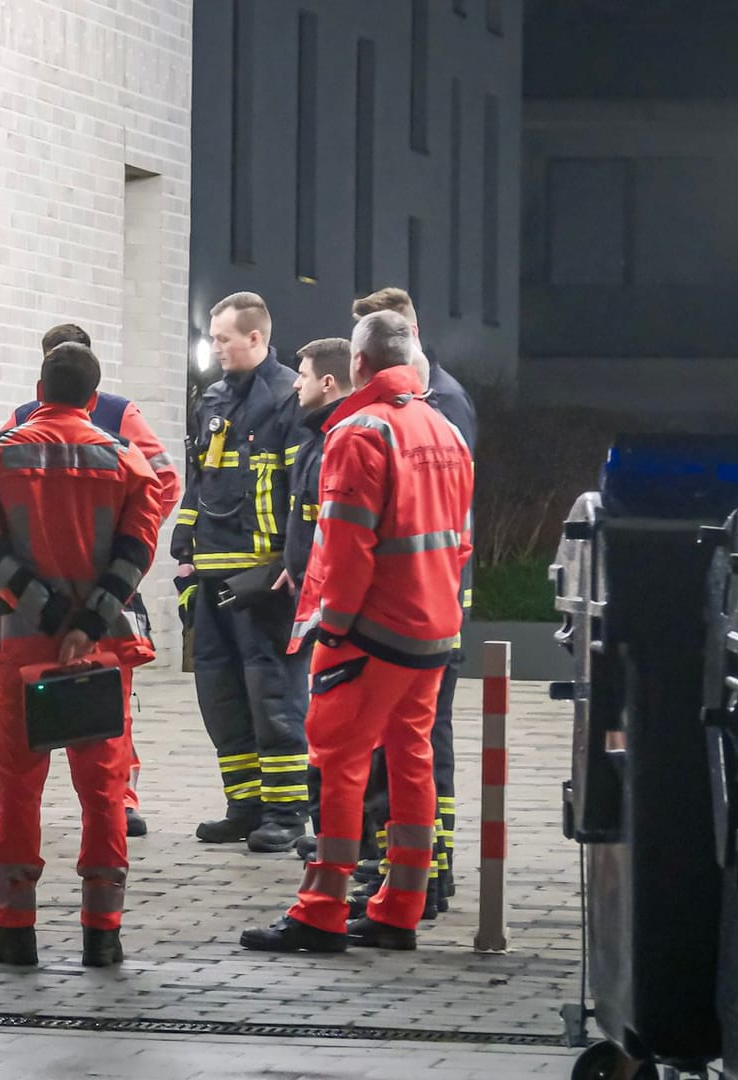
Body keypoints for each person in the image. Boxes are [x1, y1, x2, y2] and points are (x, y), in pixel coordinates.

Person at [239, 310, 474, 953]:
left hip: (370, 632)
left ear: (359, 366)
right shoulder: (443, 429)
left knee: (336, 768)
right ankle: (400, 905)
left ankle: (320, 909)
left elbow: (345, 547)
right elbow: (459, 540)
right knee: (412, 766)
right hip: (433, 629)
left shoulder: (359, 432)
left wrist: (333, 630)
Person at [0, 342, 163, 968]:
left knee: (17, 786)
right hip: (98, 651)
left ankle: (14, 929)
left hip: (18, 645)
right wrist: (88, 619)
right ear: (94, 398)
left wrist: (46, 613)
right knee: (103, 788)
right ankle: (104, 933)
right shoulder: (127, 460)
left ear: (40, 386)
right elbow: (138, 548)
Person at [0, 322, 179, 839]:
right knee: (103, 753)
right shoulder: (119, 448)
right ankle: (103, 913)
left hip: (22, 620)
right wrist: (97, 603)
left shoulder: (1, 445)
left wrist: (44, 609)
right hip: (104, 613)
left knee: (20, 753)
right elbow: (146, 516)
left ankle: (15, 911)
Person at [342, 287, 480, 914]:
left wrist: (337, 625)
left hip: (391, 619)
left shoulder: (391, 420)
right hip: (431, 610)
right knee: (414, 748)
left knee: (368, 752)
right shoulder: (441, 415)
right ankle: (414, 880)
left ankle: (405, 876)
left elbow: (350, 544)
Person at [172, 292, 310, 853]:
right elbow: (200, 480)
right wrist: (182, 545)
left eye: (225, 338)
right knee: (222, 695)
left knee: (271, 694)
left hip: (262, 580)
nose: (217, 348)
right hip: (211, 574)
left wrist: (292, 563)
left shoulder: (287, 398)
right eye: (214, 338)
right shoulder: (211, 399)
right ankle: (244, 804)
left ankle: (285, 811)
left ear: (255, 338)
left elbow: (305, 491)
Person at [277, 338, 353, 856]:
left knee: (337, 732)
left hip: (337, 613)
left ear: (328, 381)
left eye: (301, 374)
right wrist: (294, 567)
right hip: (315, 596)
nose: (295, 382)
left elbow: (341, 528)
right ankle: (330, 834)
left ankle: (339, 843)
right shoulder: (319, 436)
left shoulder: (338, 439)